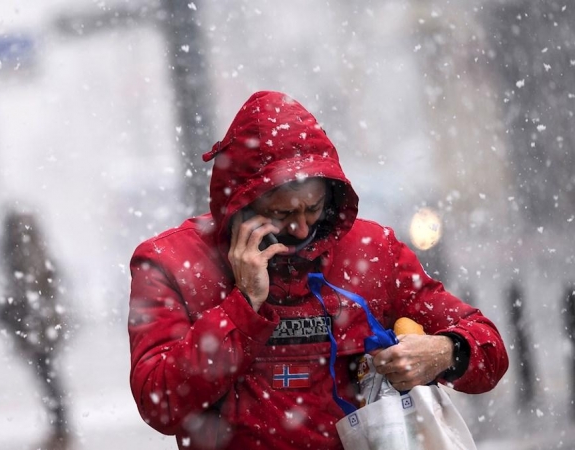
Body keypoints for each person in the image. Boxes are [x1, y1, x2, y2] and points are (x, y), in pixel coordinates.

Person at [127, 91, 509, 449]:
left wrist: (444, 352)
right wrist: (242, 307)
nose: (301, 229)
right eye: (281, 213)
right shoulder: (171, 263)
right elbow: (159, 401)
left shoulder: (372, 252)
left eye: (313, 208)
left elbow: (489, 350)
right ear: (239, 204)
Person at [0, 209, 70, 450]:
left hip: (38, 325)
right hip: (40, 324)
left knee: (48, 378)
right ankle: (59, 429)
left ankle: (60, 430)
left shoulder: (24, 251)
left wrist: (13, 310)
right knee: (48, 378)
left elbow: (32, 287)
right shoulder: (32, 248)